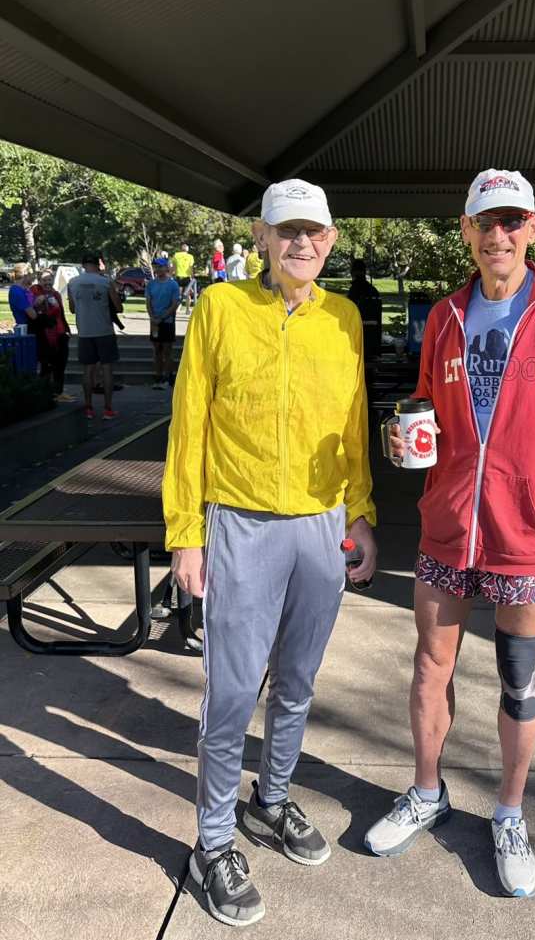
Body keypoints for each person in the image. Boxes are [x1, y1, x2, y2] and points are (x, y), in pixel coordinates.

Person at [363, 170, 535, 899]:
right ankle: (427, 790)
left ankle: (509, 812)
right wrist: (410, 438)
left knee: (520, 678)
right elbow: (428, 403)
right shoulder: (447, 315)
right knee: (430, 667)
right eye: (486, 221)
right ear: (466, 230)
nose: (498, 235)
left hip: (529, 534)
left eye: (512, 221)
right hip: (449, 529)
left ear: (533, 229)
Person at [163, 177, 376, 928]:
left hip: (321, 526)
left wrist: (364, 514)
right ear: (261, 237)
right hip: (241, 525)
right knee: (229, 692)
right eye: (288, 231)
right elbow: (189, 421)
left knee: (297, 679)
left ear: (331, 239)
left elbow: (353, 427)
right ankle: (212, 841)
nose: (302, 244)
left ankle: (272, 799)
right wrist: (185, 531)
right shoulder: (222, 307)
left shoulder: (345, 319)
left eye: (314, 232)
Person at [67, 253, 122, 420]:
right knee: (107, 369)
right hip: (104, 330)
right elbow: (118, 307)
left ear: (83, 264)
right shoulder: (105, 282)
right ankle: (108, 408)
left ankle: (89, 407)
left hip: (84, 331)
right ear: (98, 264)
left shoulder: (72, 283)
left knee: (88, 370)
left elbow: (72, 309)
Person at [31, 269, 73, 401]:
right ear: (39, 281)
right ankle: (45, 393)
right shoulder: (35, 291)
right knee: (47, 364)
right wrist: (38, 301)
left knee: (61, 363)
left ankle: (58, 392)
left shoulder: (56, 294)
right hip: (46, 334)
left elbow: (61, 312)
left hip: (60, 333)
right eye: (44, 280)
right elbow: (33, 308)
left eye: (49, 280)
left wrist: (67, 328)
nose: (47, 283)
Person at [145, 258, 180, 389]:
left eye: (161, 267)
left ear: (166, 268)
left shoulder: (173, 285)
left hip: (167, 321)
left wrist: (163, 317)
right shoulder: (151, 284)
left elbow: (174, 304)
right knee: (157, 350)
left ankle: (168, 376)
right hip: (154, 321)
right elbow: (148, 302)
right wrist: (152, 317)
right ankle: (158, 376)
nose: (159, 270)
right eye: (156, 267)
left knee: (167, 350)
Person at [8, 263, 38, 328]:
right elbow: (33, 315)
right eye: (31, 274)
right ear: (25, 275)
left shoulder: (23, 290)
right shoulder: (17, 292)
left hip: (29, 327)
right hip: (25, 329)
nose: (33, 277)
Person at [172, 243, 197, 313]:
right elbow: (191, 268)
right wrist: (192, 277)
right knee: (188, 294)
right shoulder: (190, 256)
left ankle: (177, 309)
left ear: (181, 249)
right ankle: (187, 309)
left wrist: (171, 275)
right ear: (187, 249)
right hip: (187, 277)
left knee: (178, 294)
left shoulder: (176, 255)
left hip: (178, 277)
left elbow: (173, 267)